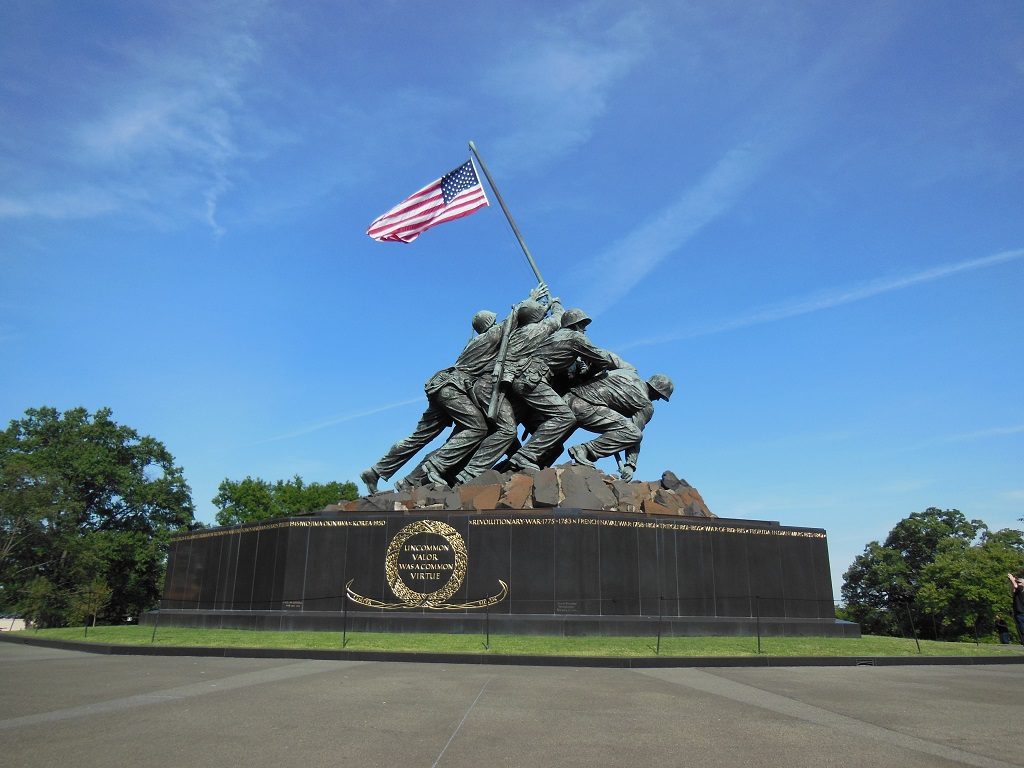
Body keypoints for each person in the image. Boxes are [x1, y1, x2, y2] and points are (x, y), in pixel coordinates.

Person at [359, 286, 547, 493]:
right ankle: (435, 466)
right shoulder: (492, 336)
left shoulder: (472, 342)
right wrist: (531, 299)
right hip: (453, 389)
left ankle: (377, 470)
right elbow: (515, 318)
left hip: (441, 386)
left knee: (418, 438)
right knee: (477, 428)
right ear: (490, 323)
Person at [504, 307, 619, 472]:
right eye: (582, 324)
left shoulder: (557, 335)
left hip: (526, 377)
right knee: (565, 417)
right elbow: (602, 360)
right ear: (574, 324)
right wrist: (589, 373)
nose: (584, 329)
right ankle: (525, 456)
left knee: (540, 432)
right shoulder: (576, 337)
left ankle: (511, 466)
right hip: (533, 379)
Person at [565, 371, 674, 481]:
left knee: (551, 448)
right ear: (655, 391)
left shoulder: (627, 373)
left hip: (567, 398)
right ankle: (585, 450)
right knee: (634, 433)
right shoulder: (646, 405)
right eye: (660, 396)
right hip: (585, 407)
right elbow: (634, 434)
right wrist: (630, 465)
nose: (658, 399)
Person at [1009, 573, 1024, 646]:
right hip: (1018, 612)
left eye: (1019, 582)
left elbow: (1015, 586)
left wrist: (1012, 579)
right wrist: (1012, 581)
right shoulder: (1018, 590)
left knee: (1021, 628)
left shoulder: (1021, 588)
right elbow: (1013, 591)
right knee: (1020, 629)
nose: (1018, 583)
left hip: (1021, 612)